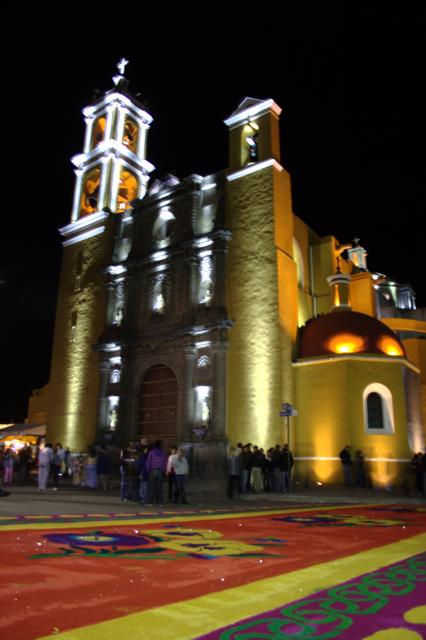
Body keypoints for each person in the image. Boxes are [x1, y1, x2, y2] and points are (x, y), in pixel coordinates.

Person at [146, 440, 167, 507]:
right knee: (159, 488)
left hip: (152, 471)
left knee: (151, 487)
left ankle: (150, 502)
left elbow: (148, 462)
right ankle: (160, 503)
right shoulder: (163, 453)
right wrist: (163, 470)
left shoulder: (151, 452)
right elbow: (165, 463)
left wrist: (148, 470)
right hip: (160, 471)